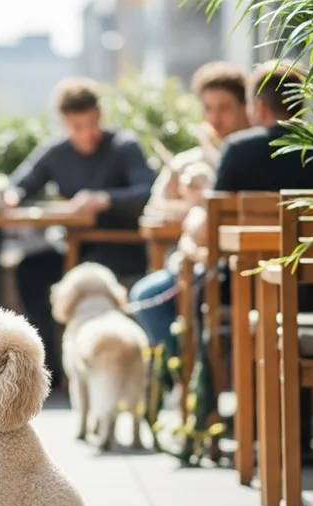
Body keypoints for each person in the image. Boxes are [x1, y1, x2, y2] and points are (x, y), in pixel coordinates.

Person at [9, 76, 157, 383]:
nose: (87, 134)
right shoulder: (56, 152)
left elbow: (146, 190)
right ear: (65, 123)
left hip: (118, 248)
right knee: (30, 269)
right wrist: (11, 198)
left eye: (91, 124)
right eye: (77, 128)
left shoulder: (123, 146)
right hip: (73, 249)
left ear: (100, 115)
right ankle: (48, 368)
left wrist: (102, 200)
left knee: (83, 273)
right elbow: (20, 185)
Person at [130, 61, 252, 353]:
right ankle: (187, 380)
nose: (215, 117)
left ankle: (194, 385)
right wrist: (187, 205)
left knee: (149, 296)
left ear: (245, 107)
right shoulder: (189, 161)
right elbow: (152, 212)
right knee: (146, 297)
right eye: (208, 108)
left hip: (238, 267)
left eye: (224, 108)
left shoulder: (253, 156)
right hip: (201, 263)